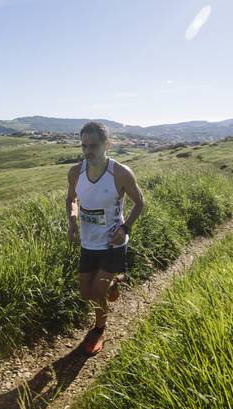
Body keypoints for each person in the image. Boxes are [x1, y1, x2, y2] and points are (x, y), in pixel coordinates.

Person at [66, 121, 145, 356]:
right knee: (85, 292)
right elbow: (71, 200)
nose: (88, 151)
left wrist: (126, 227)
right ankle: (114, 282)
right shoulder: (75, 172)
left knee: (97, 293)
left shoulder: (120, 173)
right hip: (88, 242)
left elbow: (140, 202)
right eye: (84, 146)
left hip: (113, 243)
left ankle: (99, 329)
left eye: (93, 146)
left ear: (107, 144)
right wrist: (72, 222)